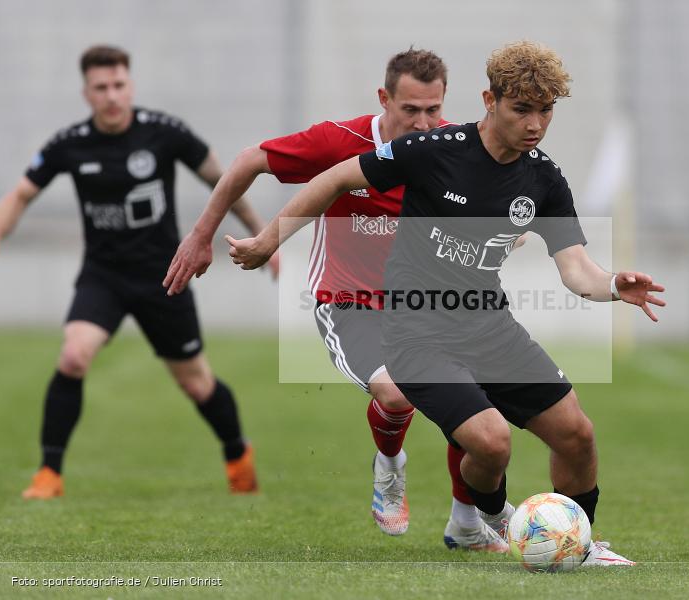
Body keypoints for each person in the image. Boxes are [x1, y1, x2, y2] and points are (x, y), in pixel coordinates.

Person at [225, 41, 666, 566]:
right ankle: (503, 519)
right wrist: (269, 241)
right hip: (415, 333)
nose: (535, 124)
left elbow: (576, 270)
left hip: (489, 328)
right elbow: (336, 177)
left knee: (577, 434)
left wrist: (615, 284)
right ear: (489, 99)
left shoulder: (543, 178)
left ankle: (578, 542)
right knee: (493, 442)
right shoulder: (436, 149)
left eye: (545, 110)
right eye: (521, 109)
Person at [164, 48, 506, 551]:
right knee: (395, 392)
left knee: (475, 411)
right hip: (350, 301)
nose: (424, 122)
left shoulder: (455, 147)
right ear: (384, 98)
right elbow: (247, 162)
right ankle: (390, 466)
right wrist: (200, 235)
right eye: (410, 110)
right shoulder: (338, 141)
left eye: (433, 110)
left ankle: (466, 523)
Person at [0, 45, 272, 499]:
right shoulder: (69, 143)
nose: (111, 95)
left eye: (119, 85)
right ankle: (49, 474)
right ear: (86, 92)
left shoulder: (164, 133)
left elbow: (225, 182)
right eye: (101, 88)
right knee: (73, 356)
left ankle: (237, 454)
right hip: (103, 276)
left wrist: (264, 237)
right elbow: (21, 195)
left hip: (165, 276)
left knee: (196, 383)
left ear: (131, 86)